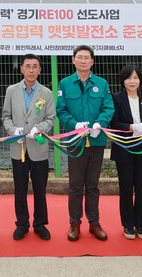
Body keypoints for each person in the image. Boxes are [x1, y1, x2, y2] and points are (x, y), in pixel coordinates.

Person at [56, 45, 114, 242]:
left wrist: (100, 123)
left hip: (96, 140)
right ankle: (74, 223)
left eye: (86, 57)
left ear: (92, 61)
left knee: (92, 184)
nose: (83, 60)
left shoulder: (102, 83)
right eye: (79, 57)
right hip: (76, 140)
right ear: (73, 60)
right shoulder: (65, 84)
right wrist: (74, 125)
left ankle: (94, 222)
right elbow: (61, 110)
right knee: (75, 184)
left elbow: (108, 107)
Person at [1, 54, 56, 241]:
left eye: (35, 66)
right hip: (19, 149)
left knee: (40, 189)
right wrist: (13, 130)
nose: (31, 70)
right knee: (20, 189)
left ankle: (40, 224)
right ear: (21, 69)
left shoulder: (46, 93)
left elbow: (50, 118)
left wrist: (39, 128)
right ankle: (22, 224)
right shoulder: (11, 90)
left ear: (40, 70)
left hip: (38, 148)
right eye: (28, 66)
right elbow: (6, 116)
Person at [110, 65, 142, 240]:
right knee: (126, 187)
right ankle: (128, 225)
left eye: (136, 78)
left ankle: (141, 225)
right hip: (125, 147)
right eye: (129, 78)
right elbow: (114, 123)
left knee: (141, 188)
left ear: (140, 80)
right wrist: (131, 127)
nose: (132, 81)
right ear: (123, 80)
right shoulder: (116, 98)